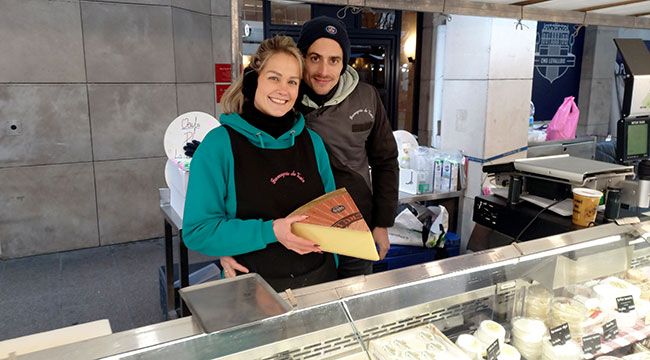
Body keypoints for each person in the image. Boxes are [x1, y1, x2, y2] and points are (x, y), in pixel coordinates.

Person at [182, 36, 338, 292]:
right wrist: (271, 231)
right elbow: (199, 230)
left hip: (319, 282)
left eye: (292, 81)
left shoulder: (313, 143)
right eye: (273, 78)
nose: (283, 90)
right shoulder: (219, 145)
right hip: (253, 289)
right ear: (254, 80)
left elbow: (332, 215)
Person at [296, 16, 399, 278]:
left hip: (357, 222)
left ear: (344, 63)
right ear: (301, 58)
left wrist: (382, 223)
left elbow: (386, 161)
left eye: (334, 60)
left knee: (354, 305)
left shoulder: (367, 96)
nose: (323, 71)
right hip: (301, 228)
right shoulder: (284, 98)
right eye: (314, 58)